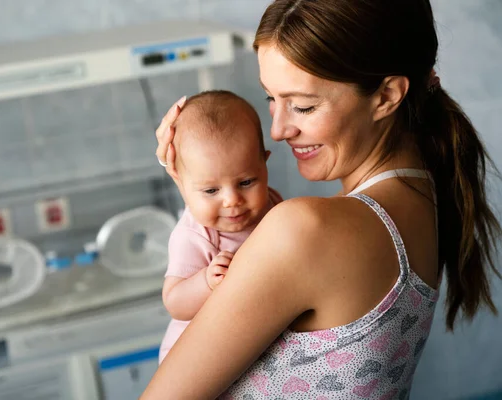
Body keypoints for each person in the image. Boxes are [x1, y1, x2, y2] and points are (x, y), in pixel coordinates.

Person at [144, 0, 501, 398]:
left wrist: (198, 184)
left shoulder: (306, 231)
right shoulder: (425, 190)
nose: (278, 130)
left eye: (302, 105)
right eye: (271, 99)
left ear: (386, 96)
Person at [158, 90, 283, 364]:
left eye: (246, 182)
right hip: (193, 357)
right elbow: (175, 302)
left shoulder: (272, 204)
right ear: (181, 184)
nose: (232, 200)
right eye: (211, 190)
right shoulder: (195, 235)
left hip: (244, 345)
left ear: (265, 163)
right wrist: (206, 282)